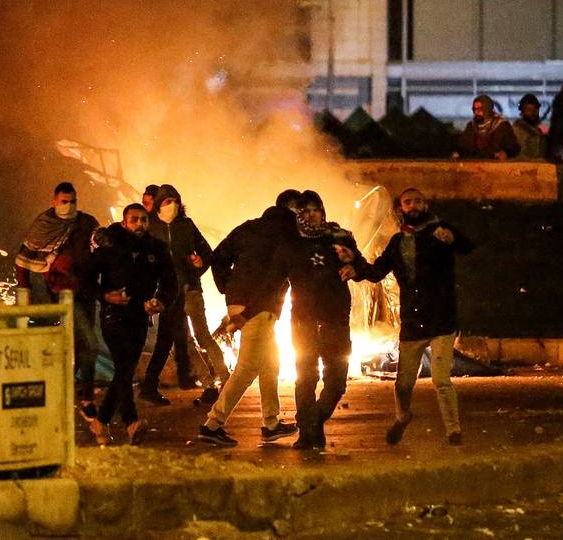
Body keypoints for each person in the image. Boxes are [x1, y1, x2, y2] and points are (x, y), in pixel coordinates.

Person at [355, 188, 472, 446]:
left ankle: (454, 431)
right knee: (403, 384)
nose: (414, 205)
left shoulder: (440, 230)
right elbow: (376, 272)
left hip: (442, 319)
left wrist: (452, 238)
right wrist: (353, 264)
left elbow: (467, 246)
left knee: (441, 380)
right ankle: (402, 417)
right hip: (413, 323)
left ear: (426, 203)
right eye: (408, 202)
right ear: (401, 208)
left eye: (418, 200)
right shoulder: (397, 242)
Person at [197, 193, 301, 448]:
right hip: (259, 307)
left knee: (269, 363)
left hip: (239, 303)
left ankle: (272, 424)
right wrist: (255, 306)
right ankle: (213, 424)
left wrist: (227, 287)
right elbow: (275, 278)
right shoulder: (288, 234)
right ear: (293, 210)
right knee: (247, 368)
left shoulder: (249, 227)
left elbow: (217, 257)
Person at [78, 203, 176, 445]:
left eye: (143, 220)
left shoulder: (157, 249)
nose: (140, 224)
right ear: (124, 222)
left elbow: (170, 282)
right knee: (123, 367)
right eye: (134, 220)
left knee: (124, 371)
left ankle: (100, 422)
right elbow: (84, 277)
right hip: (114, 316)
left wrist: (160, 302)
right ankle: (132, 422)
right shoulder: (110, 247)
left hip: (141, 318)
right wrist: (105, 295)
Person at [287, 190, 364, 451]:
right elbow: (274, 275)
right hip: (304, 321)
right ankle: (307, 435)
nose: (311, 215)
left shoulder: (340, 237)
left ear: (322, 211)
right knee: (306, 379)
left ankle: (314, 422)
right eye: (305, 211)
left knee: (337, 381)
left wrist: (353, 265)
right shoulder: (292, 242)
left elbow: (364, 266)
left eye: (315, 209)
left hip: (335, 319)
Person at [12, 182, 101, 405]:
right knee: (89, 343)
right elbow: (24, 260)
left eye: (73, 201)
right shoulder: (44, 225)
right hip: (61, 293)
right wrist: (25, 289)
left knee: (83, 343)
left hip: (87, 291)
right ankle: (83, 395)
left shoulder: (87, 223)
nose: (69, 206)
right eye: (64, 201)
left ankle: (76, 388)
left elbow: (100, 251)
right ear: (54, 202)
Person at [139, 184, 210, 403]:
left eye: (176, 201)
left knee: (170, 337)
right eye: (168, 202)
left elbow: (206, 253)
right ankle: (195, 378)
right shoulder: (151, 228)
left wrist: (199, 265)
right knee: (171, 336)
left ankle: (154, 384)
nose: (173, 206)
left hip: (184, 289)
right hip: (164, 291)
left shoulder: (186, 225)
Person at [453, 95, 519, 161]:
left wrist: (506, 153)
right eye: (474, 109)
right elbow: (464, 146)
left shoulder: (502, 125)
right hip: (474, 165)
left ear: (487, 109)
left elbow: (513, 147)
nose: (476, 112)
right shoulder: (471, 126)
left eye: (480, 109)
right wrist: (459, 153)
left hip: (497, 166)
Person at [511, 94, 547, 160]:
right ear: (522, 112)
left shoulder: (537, 131)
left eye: (535, 110)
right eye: (529, 110)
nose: (532, 113)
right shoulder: (517, 129)